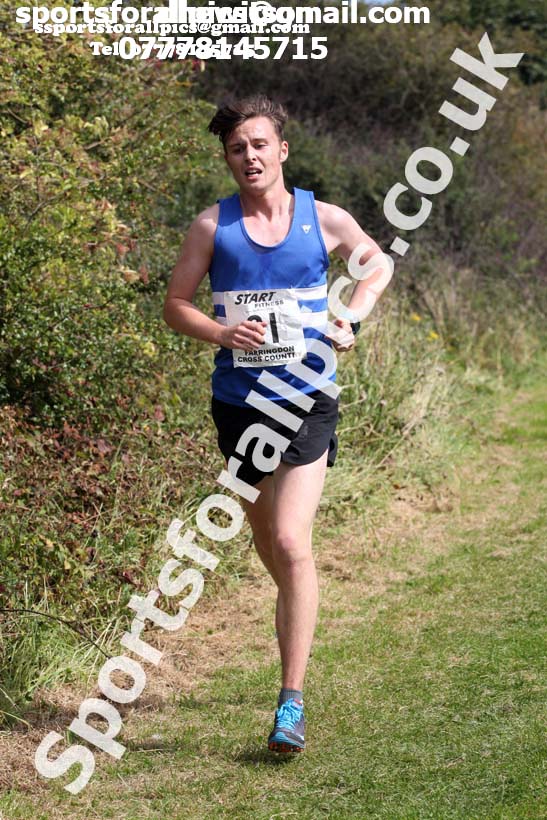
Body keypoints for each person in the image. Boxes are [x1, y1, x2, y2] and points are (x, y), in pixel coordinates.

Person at [163, 94, 386, 754]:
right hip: (239, 405)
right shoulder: (212, 228)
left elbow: (376, 264)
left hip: (307, 398)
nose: (249, 156)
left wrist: (352, 316)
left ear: (281, 150)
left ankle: (290, 702)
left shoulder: (323, 218)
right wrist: (221, 331)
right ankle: (295, 606)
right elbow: (175, 304)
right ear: (227, 159)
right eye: (237, 149)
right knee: (271, 547)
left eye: (259, 144)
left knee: (290, 542)